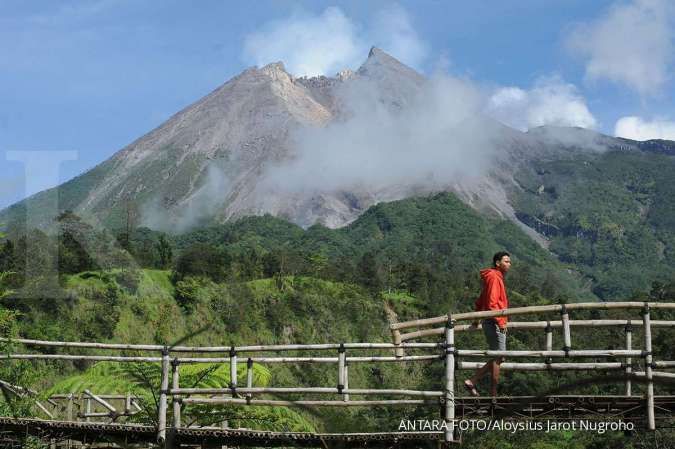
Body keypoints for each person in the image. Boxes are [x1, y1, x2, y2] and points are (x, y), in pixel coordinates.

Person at [463, 251, 511, 397]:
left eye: (509, 262)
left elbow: (481, 300)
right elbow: (491, 303)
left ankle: (473, 381)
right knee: (498, 357)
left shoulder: (492, 277)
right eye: (506, 261)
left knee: (499, 357)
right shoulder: (494, 277)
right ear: (498, 263)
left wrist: (477, 320)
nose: (509, 264)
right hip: (494, 321)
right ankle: (493, 393)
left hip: (490, 320)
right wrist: (501, 322)